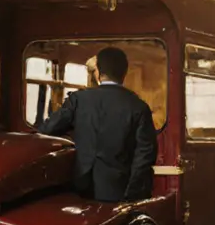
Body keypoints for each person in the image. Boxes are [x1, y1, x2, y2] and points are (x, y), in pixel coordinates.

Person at [36, 47, 157, 202]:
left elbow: (47, 130)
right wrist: (131, 196)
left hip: (79, 189)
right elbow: (145, 156)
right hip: (117, 192)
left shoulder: (79, 99)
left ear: (99, 72)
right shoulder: (139, 107)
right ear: (124, 74)